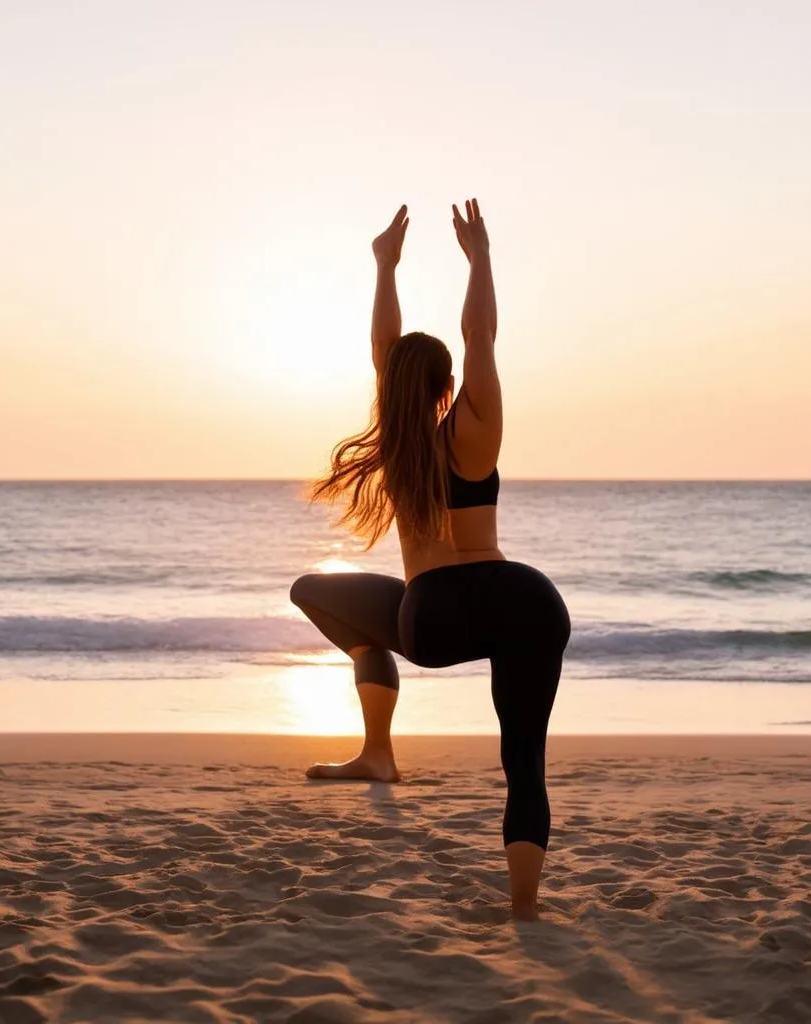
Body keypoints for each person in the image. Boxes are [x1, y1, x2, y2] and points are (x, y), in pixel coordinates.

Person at [289, 199, 572, 920]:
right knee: (524, 761)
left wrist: (384, 264)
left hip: (432, 618)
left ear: (396, 391)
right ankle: (525, 911)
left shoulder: (398, 448)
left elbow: (386, 349)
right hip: (522, 602)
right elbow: (480, 331)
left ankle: (378, 748)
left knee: (317, 593)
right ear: (448, 389)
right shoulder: (472, 435)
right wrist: (480, 261)